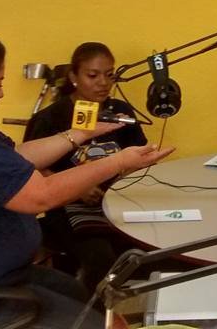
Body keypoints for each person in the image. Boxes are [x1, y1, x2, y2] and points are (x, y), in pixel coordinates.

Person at [0, 31, 173, 329]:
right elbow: (41, 195)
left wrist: (78, 134)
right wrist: (118, 161)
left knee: (92, 303)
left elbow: (17, 157)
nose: (1, 93)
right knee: (95, 323)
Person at [22, 42, 146, 292]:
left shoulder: (120, 112)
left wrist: (130, 171)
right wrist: (77, 189)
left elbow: (138, 154)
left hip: (116, 202)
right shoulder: (50, 118)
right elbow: (30, 168)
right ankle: (93, 309)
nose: (103, 83)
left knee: (145, 249)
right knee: (101, 259)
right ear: (74, 77)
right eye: (93, 75)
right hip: (67, 207)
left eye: (109, 75)